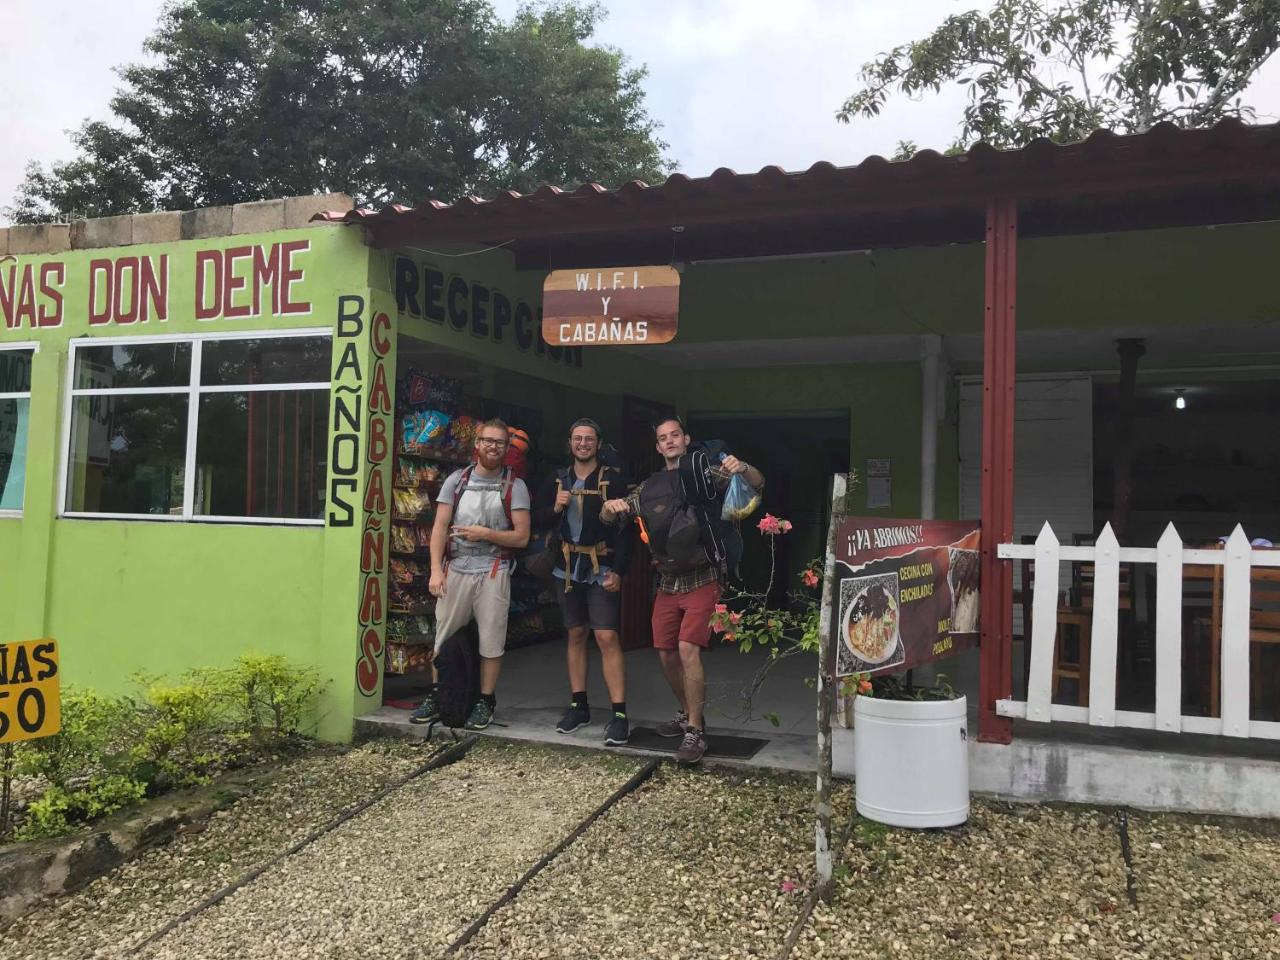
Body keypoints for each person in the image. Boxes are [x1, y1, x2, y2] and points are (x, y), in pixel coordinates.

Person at [602, 417, 764, 763]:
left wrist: (743, 466)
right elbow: (612, 516)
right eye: (663, 438)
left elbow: (756, 484)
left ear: (686, 439)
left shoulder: (706, 472)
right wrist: (608, 507)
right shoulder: (648, 487)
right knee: (665, 652)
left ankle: (695, 732)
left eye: (675, 434)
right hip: (668, 579)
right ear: (658, 447)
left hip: (704, 575)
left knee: (688, 647)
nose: (670, 441)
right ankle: (688, 712)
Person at [409, 419, 531, 730]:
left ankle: (485, 700)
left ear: (506, 448)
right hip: (457, 568)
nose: (493, 447)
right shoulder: (456, 481)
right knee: (444, 635)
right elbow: (439, 528)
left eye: (499, 443)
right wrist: (436, 570)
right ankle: (439, 694)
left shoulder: (515, 487)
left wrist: (486, 534)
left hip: (493, 570)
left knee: (491, 639)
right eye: (488, 441)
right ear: (476, 444)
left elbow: (521, 537)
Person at [532, 418, 636, 745]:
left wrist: (619, 570)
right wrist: (555, 507)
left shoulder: (614, 480)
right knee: (576, 633)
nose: (583, 444)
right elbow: (536, 519)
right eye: (577, 438)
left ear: (598, 444)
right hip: (566, 567)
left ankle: (619, 713)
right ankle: (579, 705)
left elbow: (628, 530)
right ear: (570, 443)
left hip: (601, 565)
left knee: (606, 636)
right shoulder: (557, 479)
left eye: (589, 439)